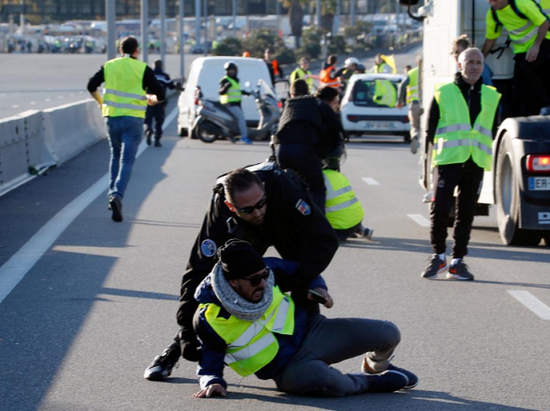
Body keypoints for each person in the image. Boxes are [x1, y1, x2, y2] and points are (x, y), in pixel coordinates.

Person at [144, 163, 339, 380]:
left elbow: (325, 242)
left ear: (264, 191)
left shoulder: (285, 190)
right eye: (247, 209)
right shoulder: (219, 215)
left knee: (304, 280)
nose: (256, 212)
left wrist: (299, 280)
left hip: (284, 223)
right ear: (230, 205)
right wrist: (188, 331)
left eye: (260, 204)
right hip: (241, 236)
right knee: (223, 287)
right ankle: (173, 349)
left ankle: (309, 351)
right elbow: (197, 273)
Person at [193, 240, 418, 398]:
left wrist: (318, 286)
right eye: (254, 280)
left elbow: (304, 271)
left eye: (264, 276)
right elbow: (209, 359)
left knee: (389, 333)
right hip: (289, 370)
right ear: (233, 282)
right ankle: (368, 382)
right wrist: (212, 381)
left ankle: (376, 366)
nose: (263, 283)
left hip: (315, 332)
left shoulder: (267, 269)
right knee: (330, 382)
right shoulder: (209, 318)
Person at [421, 48, 501, 281]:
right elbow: (431, 128)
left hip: (475, 162)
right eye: (470, 62)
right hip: (449, 161)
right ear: (459, 65)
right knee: (440, 210)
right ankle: (438, 256)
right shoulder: (443, 92)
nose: (475, 67)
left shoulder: (491, 95)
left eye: (478, 62)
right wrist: (437, 156)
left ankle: (458, 261)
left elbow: (493, 128)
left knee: (466, 213)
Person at [87, 36, 165, 222]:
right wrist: (152, 100)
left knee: (115, 155)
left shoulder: (110, 66)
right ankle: (117, 195)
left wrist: (100, 103)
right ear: (136, 50)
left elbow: (91, 85)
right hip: (134, 121)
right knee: (127, 161)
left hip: (112, 118)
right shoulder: (142, 68)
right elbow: (160, 94)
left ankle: (112, 195)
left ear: (121, 50)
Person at [273, 79, 343, 212]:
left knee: (288, 189)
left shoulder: (289, 105)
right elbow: (335, 128)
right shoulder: (317, 104)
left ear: (291, 93)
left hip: (282, 150)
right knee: (317, 188)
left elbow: (278, 131)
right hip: (304, 150)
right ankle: (318, 227)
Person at [481, 0, 550, 116]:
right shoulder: (493, 14)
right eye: (489, 1)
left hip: (542, 41)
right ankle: (533, 114)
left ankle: (546, 106)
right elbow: (490, 39)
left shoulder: (522, 4)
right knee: (519, 83)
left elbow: (545, 23)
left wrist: (536, 46)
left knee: (525, 71)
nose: (492, 4)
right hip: (521, 49)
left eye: (494, 0)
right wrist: (479, 59)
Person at [322, 148, 374, 242]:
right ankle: (360, 229)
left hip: (338, 229)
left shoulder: (316, 179)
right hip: (356, 220)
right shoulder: (338, 175)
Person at [219, 61, 252, 144]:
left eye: (232, 70)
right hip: (229, 103)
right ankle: (244, 137)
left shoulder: (235, 80)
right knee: (241, 118)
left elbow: (236, 91)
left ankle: (232, 134)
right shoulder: (225, 80)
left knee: (237, 119)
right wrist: (225, 87)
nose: (231, 71)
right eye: (229, 70)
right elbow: (221, 92)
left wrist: (245, 93)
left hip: (236, 103)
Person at [145, 59, 175, 147]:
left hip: (150, 100)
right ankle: (157, 140)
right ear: (161, 66)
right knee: (159, 121)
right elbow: (172, 87)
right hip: (160, 101)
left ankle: (148, 130)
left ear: (153, 66)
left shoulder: (148, 75)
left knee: (148, 118)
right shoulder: (165, 76)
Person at [397, 58, 423, 154]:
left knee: (415, 126)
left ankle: (415, 136)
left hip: (414, 104)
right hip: (426, 104)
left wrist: (400, 101)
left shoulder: (412, 73)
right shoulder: (429, 72)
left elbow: (402, 86)